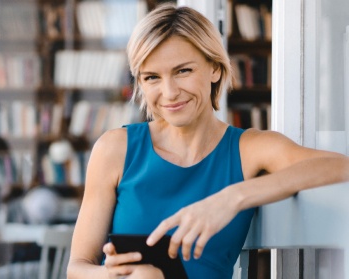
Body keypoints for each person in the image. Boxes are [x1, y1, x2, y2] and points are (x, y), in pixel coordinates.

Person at [67, 3, 349, 279]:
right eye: (152, 77)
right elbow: (77, 267)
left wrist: (232, 198)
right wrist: (114, 275)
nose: (170, 92)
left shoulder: (247, 149)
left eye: (183, 71)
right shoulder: (115, 149)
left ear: (214, 68)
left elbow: (339, 166)